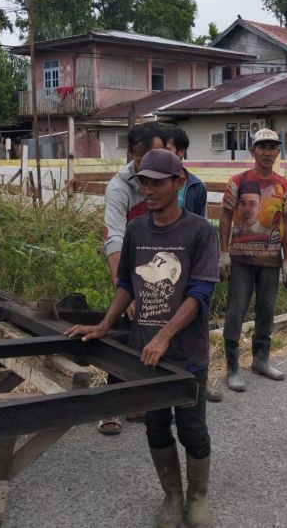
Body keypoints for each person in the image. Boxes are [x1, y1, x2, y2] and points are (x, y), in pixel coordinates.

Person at [67, 149, 219, 528]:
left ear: (178, 183)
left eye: (157, 182)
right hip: (145, 352)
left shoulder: (200, 232)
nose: (148, 189)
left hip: (186, 353)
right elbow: (127, 285)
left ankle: (197, 497)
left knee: (192, 428)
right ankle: (171, 497)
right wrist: (103, 326)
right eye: (144, 182)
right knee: (155, 425)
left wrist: (166, 336)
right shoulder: (137, 229)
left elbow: (200, 294)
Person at [98, 123, 166, 435]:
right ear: (132, 154)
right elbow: (113, 240)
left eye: (152, 154)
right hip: (126, 266)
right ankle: (111, 405)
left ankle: (142, 397)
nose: (145, 162)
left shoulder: (168, 178)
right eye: (140, 156)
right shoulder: (119, 188)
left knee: (154, 327)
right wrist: (123, 289)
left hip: (160, 266)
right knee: (121, 330)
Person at [219, 128, 287, 392]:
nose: (267, 152)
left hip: (271, 260)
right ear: (252, 150)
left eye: (272, 147)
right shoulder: (238, 181)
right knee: (236, 311)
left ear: (278, 152)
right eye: (261, 147)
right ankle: (232, 367)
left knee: (266, 310)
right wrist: (224, 252)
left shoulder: (283, 185)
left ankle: (261, 360)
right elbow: (226, 216)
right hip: (241, 258)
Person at [163, 126, 224, 404]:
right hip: (158, 263)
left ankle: (199, 381)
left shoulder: (196, 186)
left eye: (169, 150)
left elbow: (199, 225)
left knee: (196, 321)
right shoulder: (152, 182)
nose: (163, 155)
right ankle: (163, 385)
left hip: (188, 263)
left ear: (181, 152)